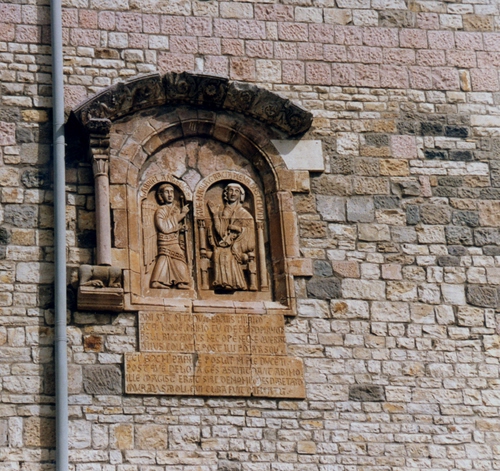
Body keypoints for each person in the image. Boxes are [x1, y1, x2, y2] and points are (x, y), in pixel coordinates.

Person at [207, 183, 255, 291]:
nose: (233, 193)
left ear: (240, 195)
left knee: (227, 253)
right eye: (230, 190)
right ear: (226, 194)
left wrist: (238, 229)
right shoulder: (222, 213)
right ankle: (221, 282)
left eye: (236, 191)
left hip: (237, 246)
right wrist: (214, 215)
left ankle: (233, 283)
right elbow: (221, 233)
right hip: (223, 243)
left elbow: (251, 231)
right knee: (218, 252)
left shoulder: (244, 213)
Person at [150, 184, 190, 289]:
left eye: (171, 192)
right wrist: (181, 215)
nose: (170, 194)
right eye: (166, 192)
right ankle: (157, 281)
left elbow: (173, 226)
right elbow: (163, 226)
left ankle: (176, 281)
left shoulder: (175, 209)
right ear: (161, 195)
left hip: (173, 239)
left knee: (169, 258)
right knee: (169, 257)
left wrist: (180, 228)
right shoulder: (161, 210)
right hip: (165, 239)